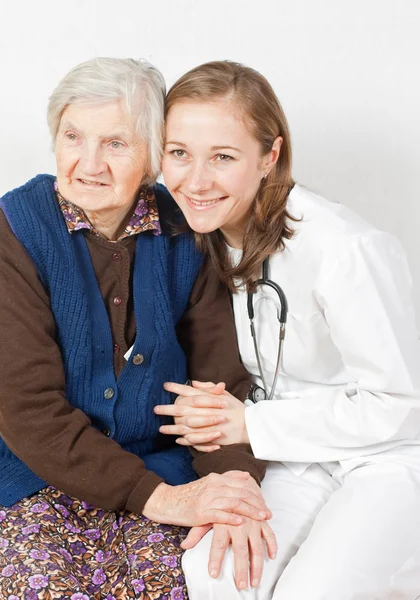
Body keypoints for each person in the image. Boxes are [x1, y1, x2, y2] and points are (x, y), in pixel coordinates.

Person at [0, 58, 275, 600]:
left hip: (156, 469)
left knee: (178, 586)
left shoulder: (185, 230)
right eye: (73, 136)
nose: (88, 163)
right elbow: (28, 410)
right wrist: (161, 499)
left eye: (116, 143)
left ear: (153, 156)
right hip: (19, 480)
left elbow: (220, 387)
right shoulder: (18, 230)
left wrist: (232, 487)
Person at [156, 60, 420, 600]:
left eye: (223, 157)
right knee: (215, 576)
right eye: (179, 152)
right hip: (297, 455)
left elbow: (401, 404)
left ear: (270, 157)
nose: (195, 180)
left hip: (391, 457)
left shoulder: (346, 248)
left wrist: (250, 423)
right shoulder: (198, 236)